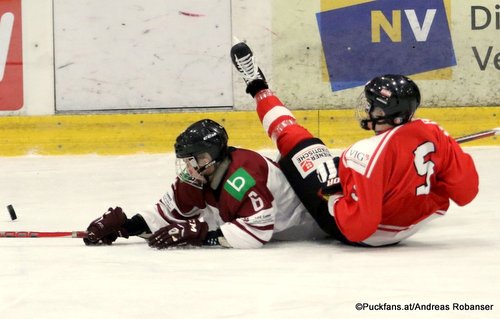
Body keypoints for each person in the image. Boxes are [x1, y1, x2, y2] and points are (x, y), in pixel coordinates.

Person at [230, 41, 479, 246]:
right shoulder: (434, 131)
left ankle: (257, 86)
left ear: (383, 114)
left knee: (296, 141)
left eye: (372, 105)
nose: (367, 108)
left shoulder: (362, 154)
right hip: (413, 221)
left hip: (372, 236)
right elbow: (466, 192)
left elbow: (360, 228)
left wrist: (338, 198)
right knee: (335, 165)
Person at [83, 119, 327, 249]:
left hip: (296, 227)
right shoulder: (200, 172)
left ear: (209, 157)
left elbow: (257, 232)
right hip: (237, 218)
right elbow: (167, 213)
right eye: (187, 161)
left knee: (202, 223)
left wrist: (203, 237)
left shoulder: (242, 175)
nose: (188, 168)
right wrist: (127, 226)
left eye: (194, 159)